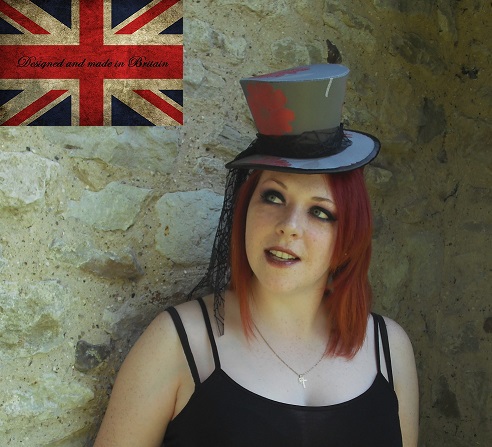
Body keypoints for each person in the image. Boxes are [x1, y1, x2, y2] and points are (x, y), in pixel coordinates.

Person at [94, 64, 419, 446]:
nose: (289, 226)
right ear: (245, 210)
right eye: (274, 197)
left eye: (320, 212)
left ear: (348, 239)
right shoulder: (178, 343)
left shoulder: (390, 349)